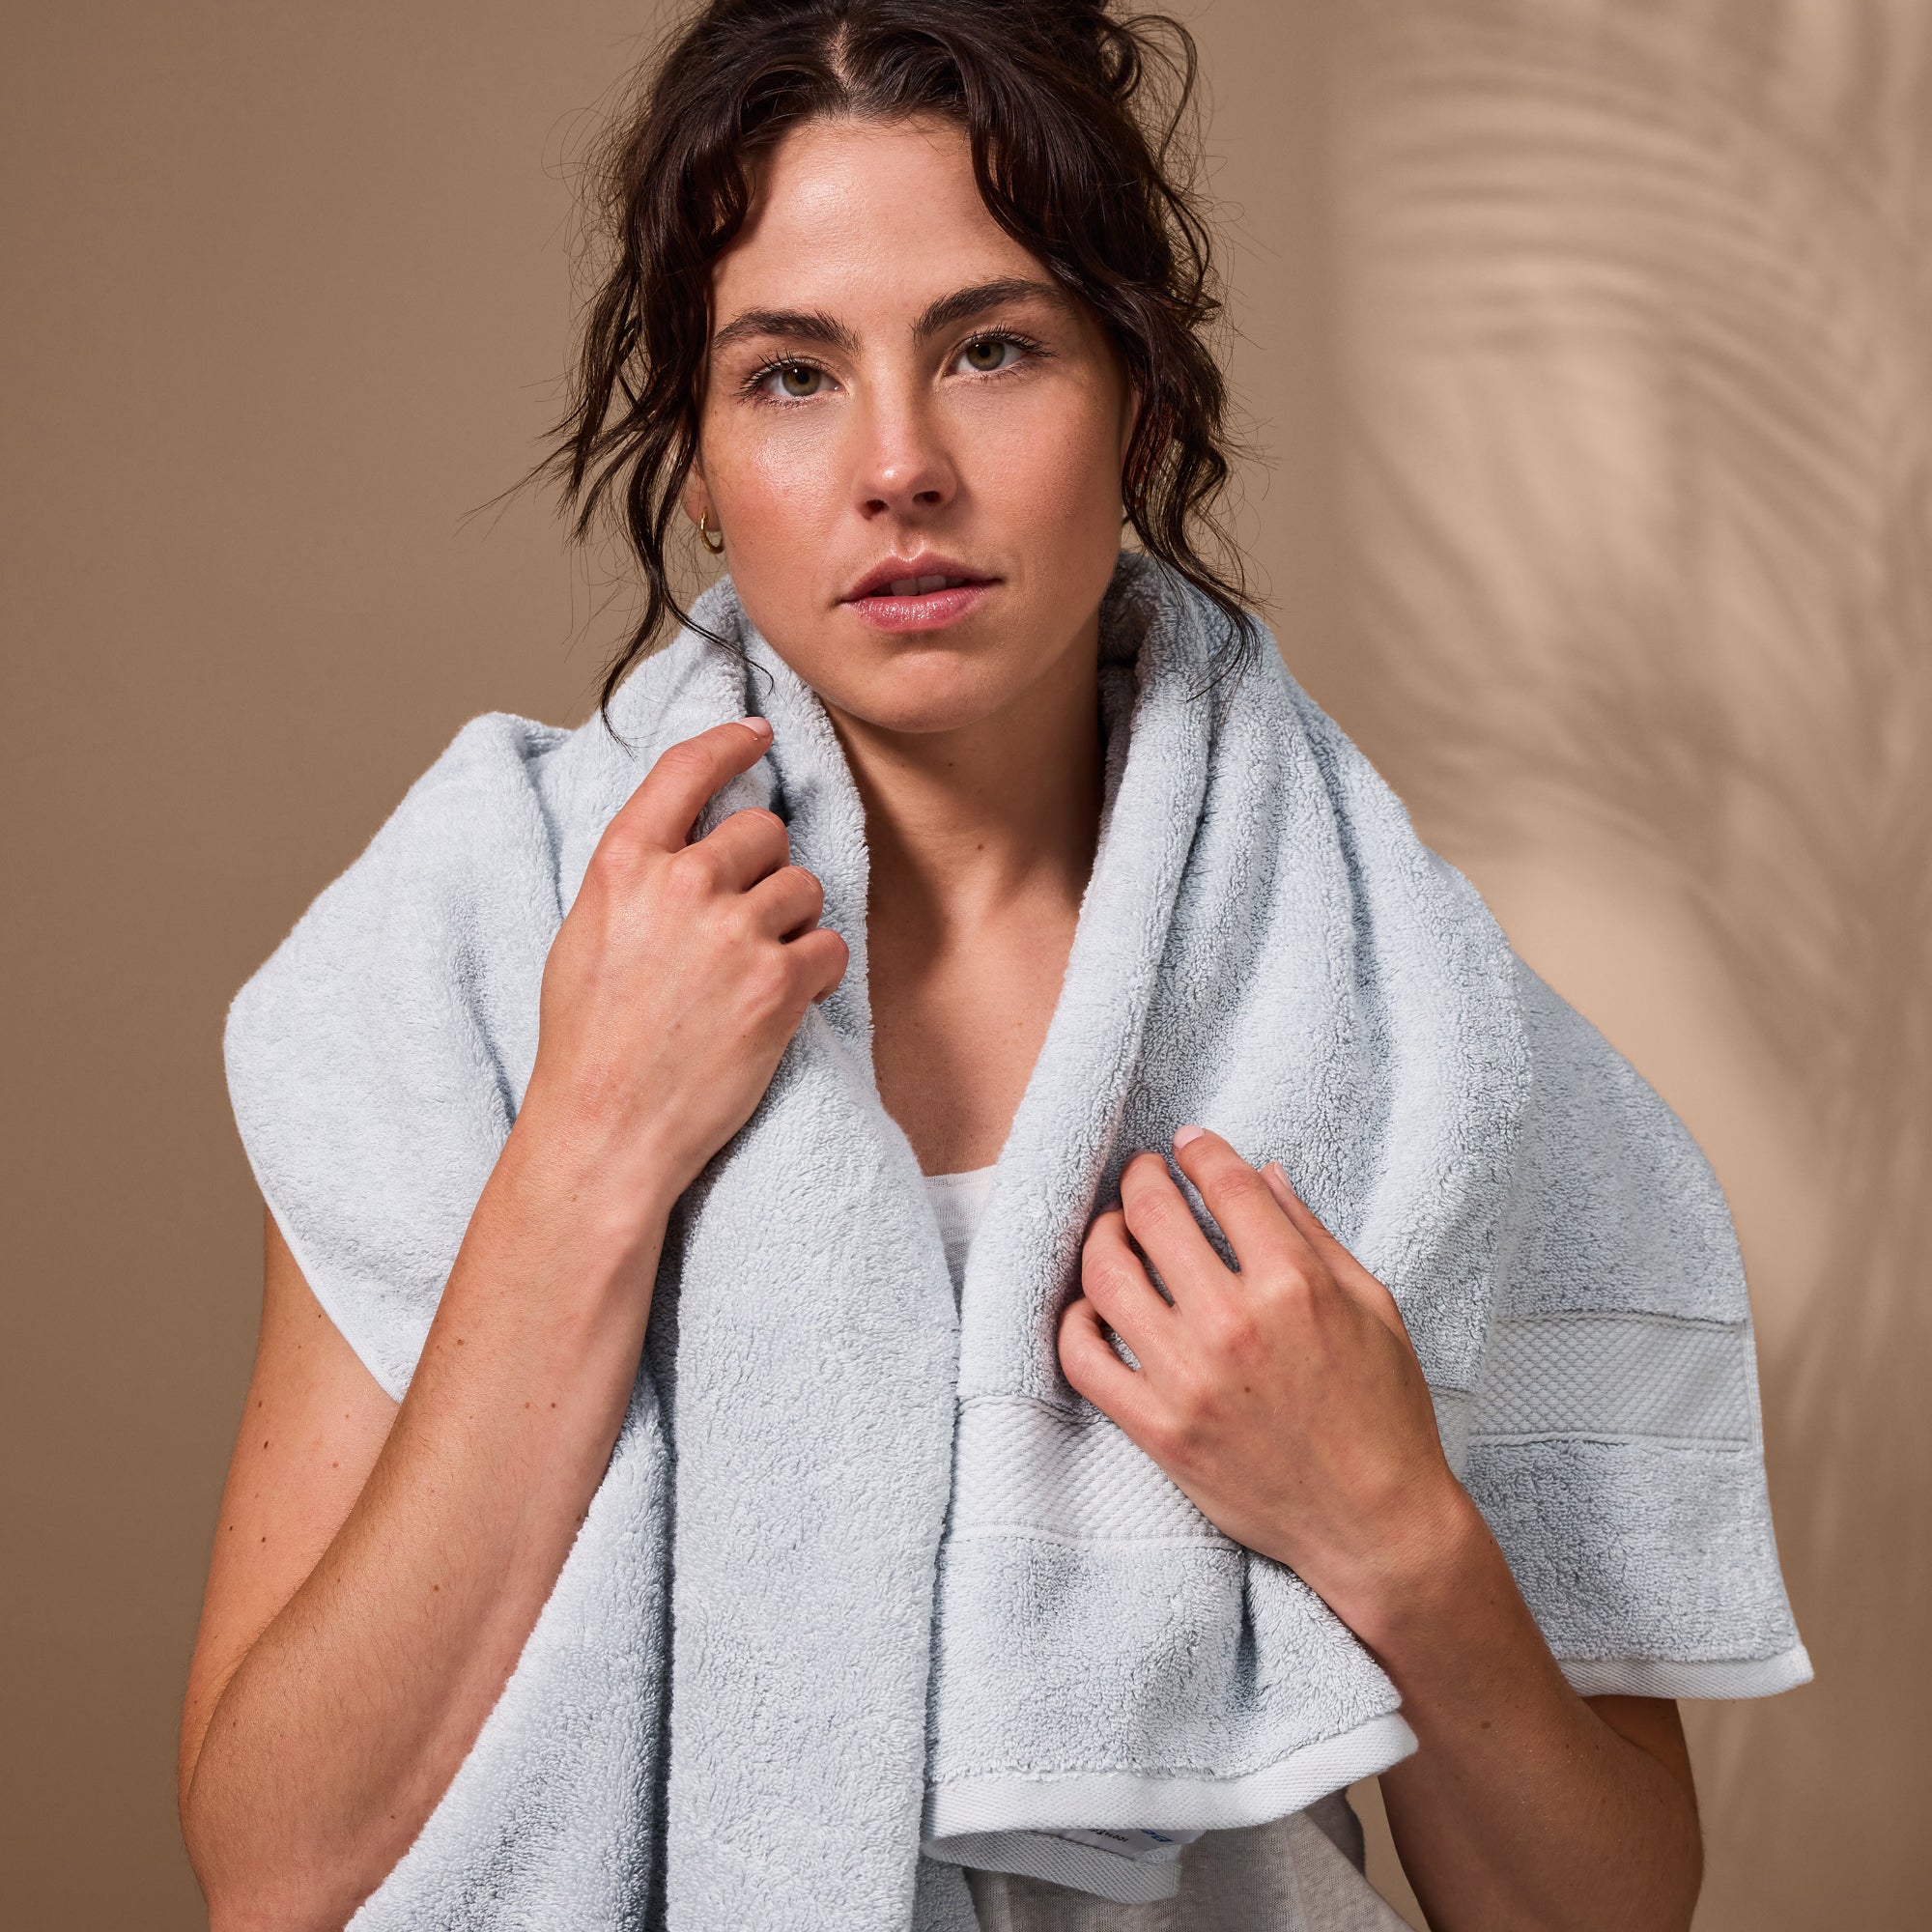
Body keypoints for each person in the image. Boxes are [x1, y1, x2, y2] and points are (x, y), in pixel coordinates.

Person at [178, 4, 1807, 1928]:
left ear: (1142, 399)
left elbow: (1601, 1911)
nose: (899, 467)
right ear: (696, 454)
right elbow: (278, 1869)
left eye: (992, 348)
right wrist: (586, 1154)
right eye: (791, 375)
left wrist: (1389, 1523)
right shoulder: (477, 945)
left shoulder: (1411, 1029)